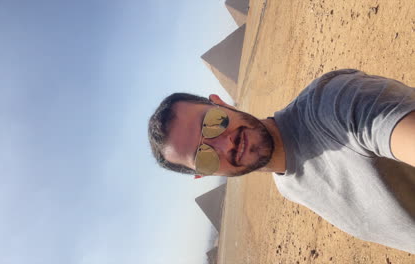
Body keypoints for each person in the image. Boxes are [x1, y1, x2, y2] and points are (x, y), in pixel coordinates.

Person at [147, 69, 415, 253]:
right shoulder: (287, 186)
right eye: (204, 157)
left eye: (212, 123)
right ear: (203, 174)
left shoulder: (332, 103)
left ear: (221, 104)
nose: (225, 144)